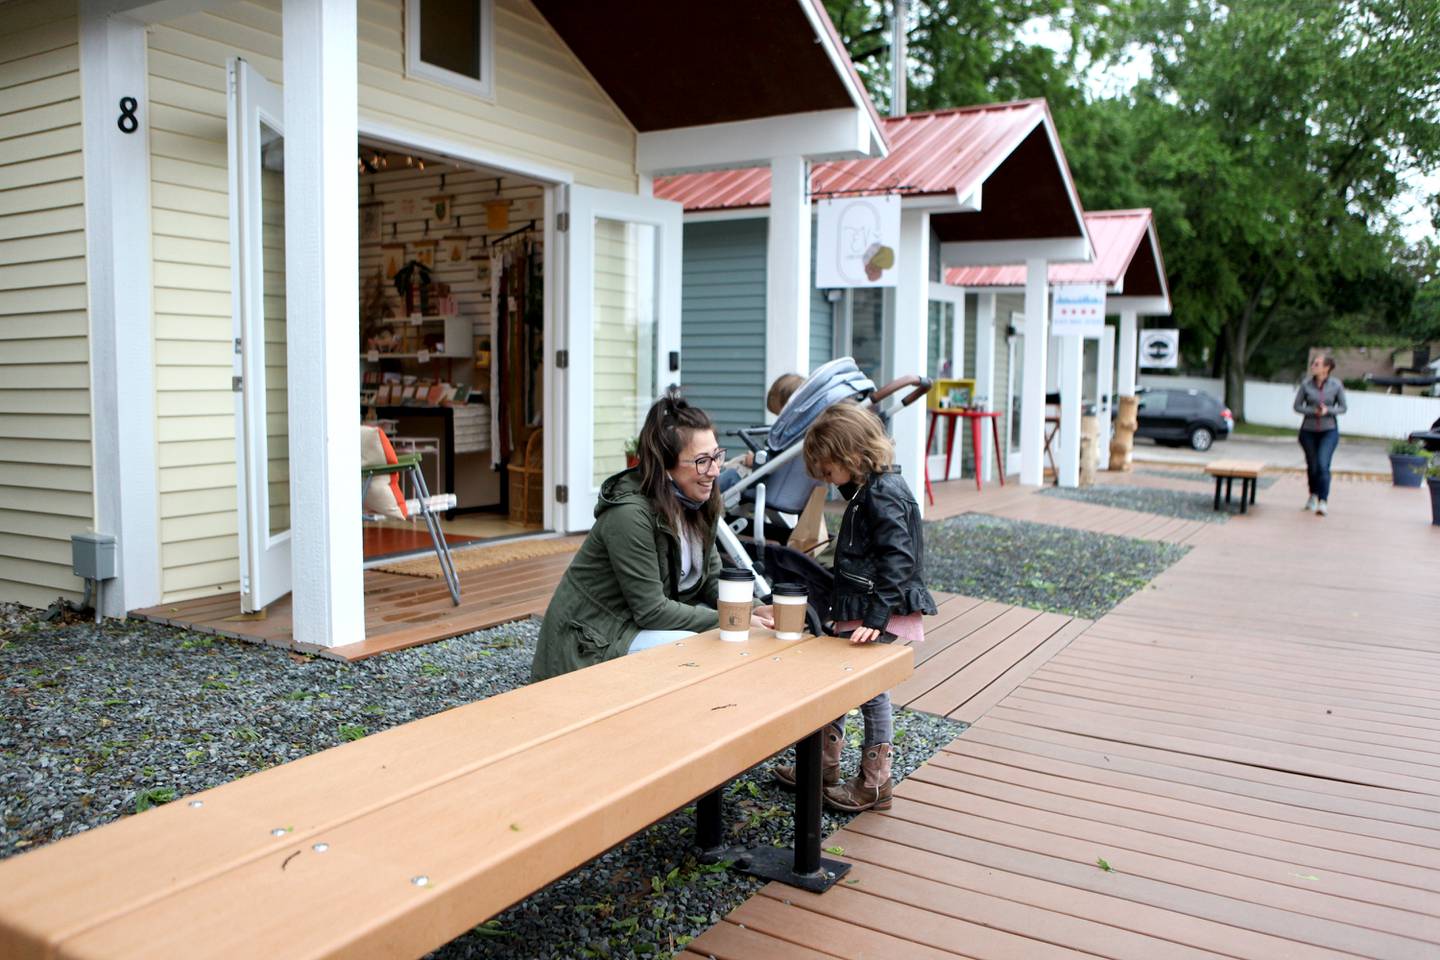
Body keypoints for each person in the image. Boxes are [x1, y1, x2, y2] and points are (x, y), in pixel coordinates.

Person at [765, 402, 938, 812]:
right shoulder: (869, 491)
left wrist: (877, 617)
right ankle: (825, 767)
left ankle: (876, 782)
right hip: (864, 606)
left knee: (871, 691)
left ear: (851, 456)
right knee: (840, 682)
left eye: (828, 471)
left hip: (879, 610)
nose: (826, 480)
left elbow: (899, 558)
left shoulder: (884, 494)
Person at [531, 389, 772, 682]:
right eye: (702, 461)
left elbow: (709, 581)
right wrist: (736, 620)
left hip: (635, 625)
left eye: (717, 456)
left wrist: (757, 609)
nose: (715, 471)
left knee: (742, 638)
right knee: (710, 648)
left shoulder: (699, 500)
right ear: (665, 466)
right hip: (594, 638)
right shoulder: (629, 515)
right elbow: (652, 611)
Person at [719, 372, 806, 489]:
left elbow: (776, 464)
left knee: (731, 474)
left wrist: (755, 460)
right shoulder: (802, 431)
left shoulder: (791, 435)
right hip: (783, 491)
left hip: (766, 491)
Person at [1294, 353, 1347, 517]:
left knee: (1323, 465)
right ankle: (1313, 495)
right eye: (1313, 363)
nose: (1313, 366)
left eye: (1317, 364)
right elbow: (1297, 406)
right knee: (1313, 466)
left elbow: (1343, 408)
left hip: (1329, 431)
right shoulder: (1306, 385)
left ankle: (1323, 501)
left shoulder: (1336, 385)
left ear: (1326, 368)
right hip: (1308, 431)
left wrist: (1327, 411)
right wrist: (1312, 411)